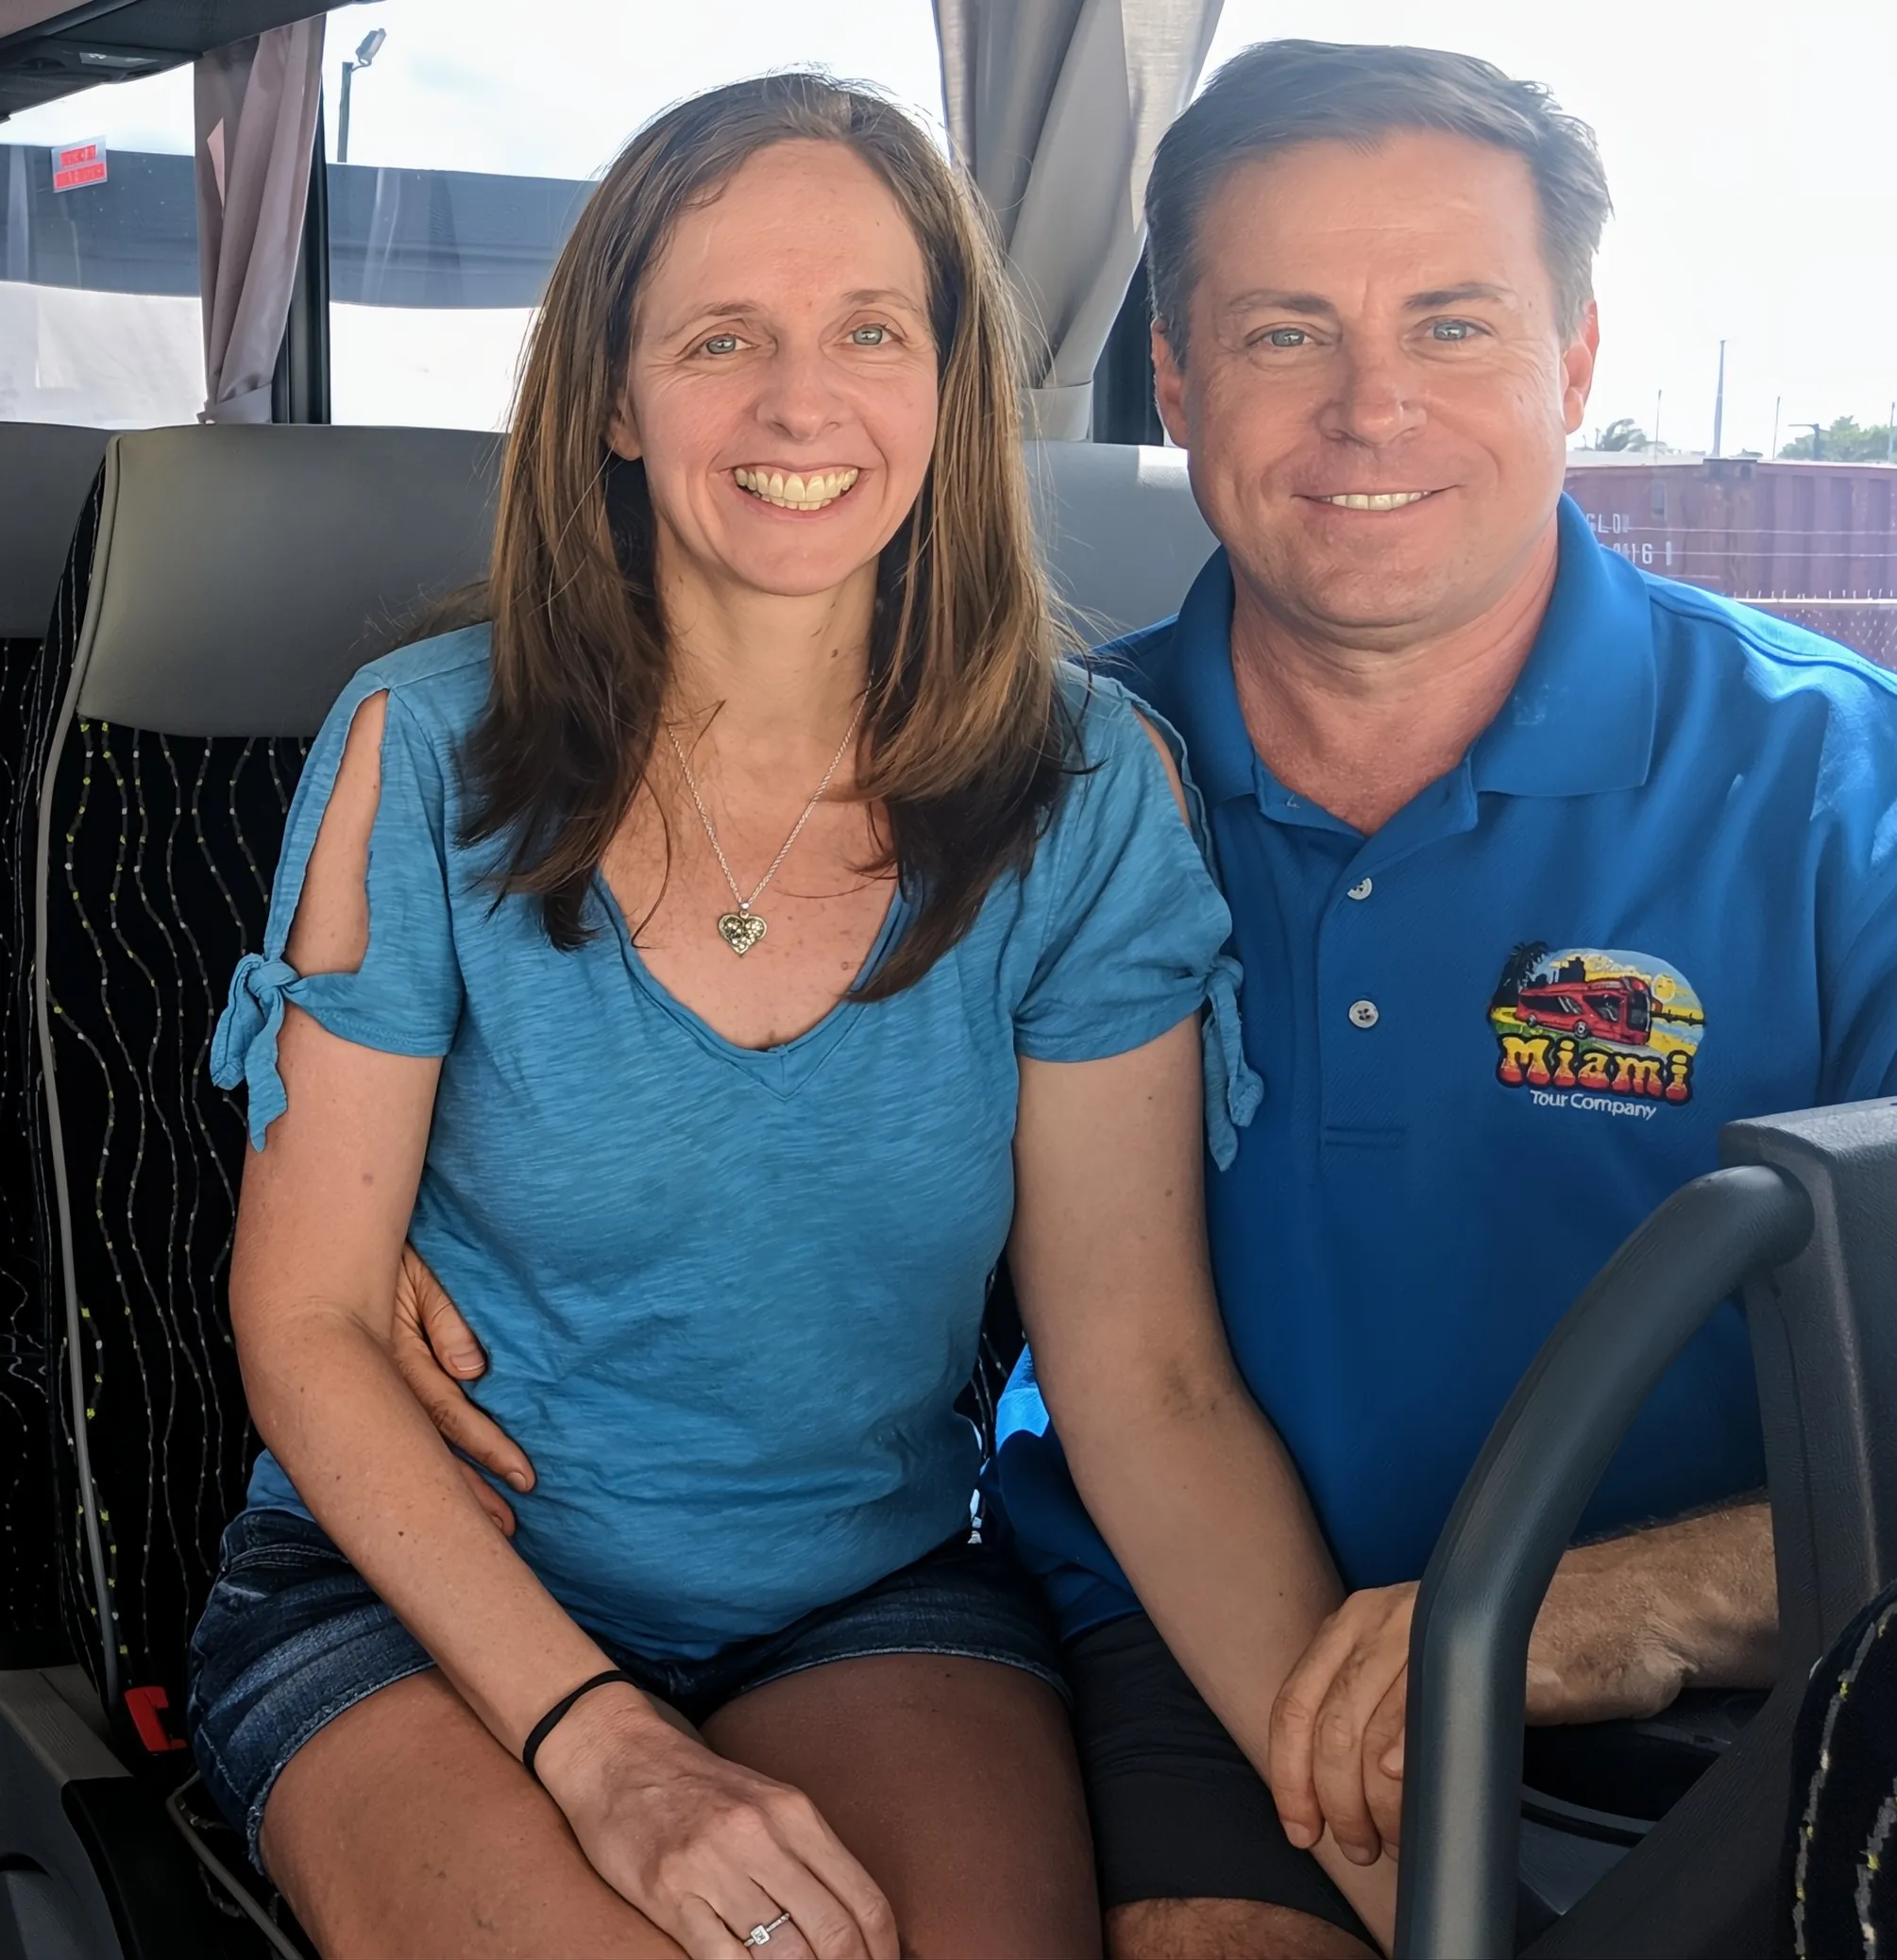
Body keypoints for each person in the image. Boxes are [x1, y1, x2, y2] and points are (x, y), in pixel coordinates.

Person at [186, 71, 1352, 1960]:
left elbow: (1140, 1375)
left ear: (944, 388)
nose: (800, 402)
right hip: (416, 1598)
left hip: (868, 1591)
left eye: (866, 331)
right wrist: (602, 1751)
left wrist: (1375, 1824)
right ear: (617, 405)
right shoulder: (421, 750)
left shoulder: (1085, 791)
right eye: (720, 337)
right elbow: (306, 1314)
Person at [982, 38, 1897, 1960]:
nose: (1368, 405)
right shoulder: (1032, 790)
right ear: (1172, 373)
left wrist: (1616, 1604)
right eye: (1282, 332)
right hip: (1187, 1630)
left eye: (1453, 324)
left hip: (1761, 1666)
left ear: (1571, 366)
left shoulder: (1837, 792)